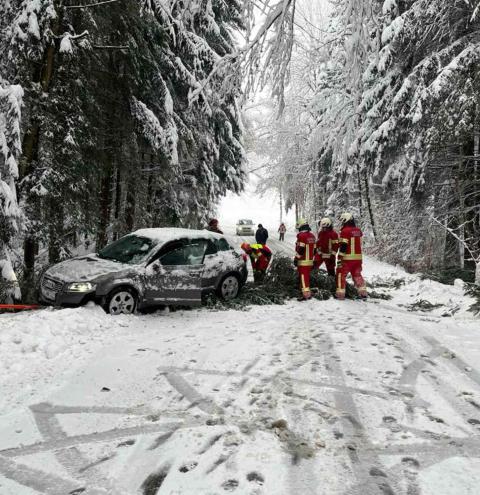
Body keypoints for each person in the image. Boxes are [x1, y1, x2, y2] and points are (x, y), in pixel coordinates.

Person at [336, 212, 367, 300]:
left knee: (340, 274)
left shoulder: (345, 231)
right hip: (358, 258)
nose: (342, 223)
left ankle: (340, 294)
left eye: (342, 221)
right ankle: (363, 292)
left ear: (345, 220)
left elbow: (343, 246)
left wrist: (339, 258)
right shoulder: (358, 231)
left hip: (347, 259)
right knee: (357, 275)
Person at [294, 219, 317, 300]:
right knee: (305, 277)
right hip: (309, 261)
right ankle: (303, 291)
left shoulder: (302, 236)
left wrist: (296, 258)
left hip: (303, 261)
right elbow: (315, 250)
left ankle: (306, 295)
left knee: (303, 278)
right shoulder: (312, 236)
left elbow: (301, 249)